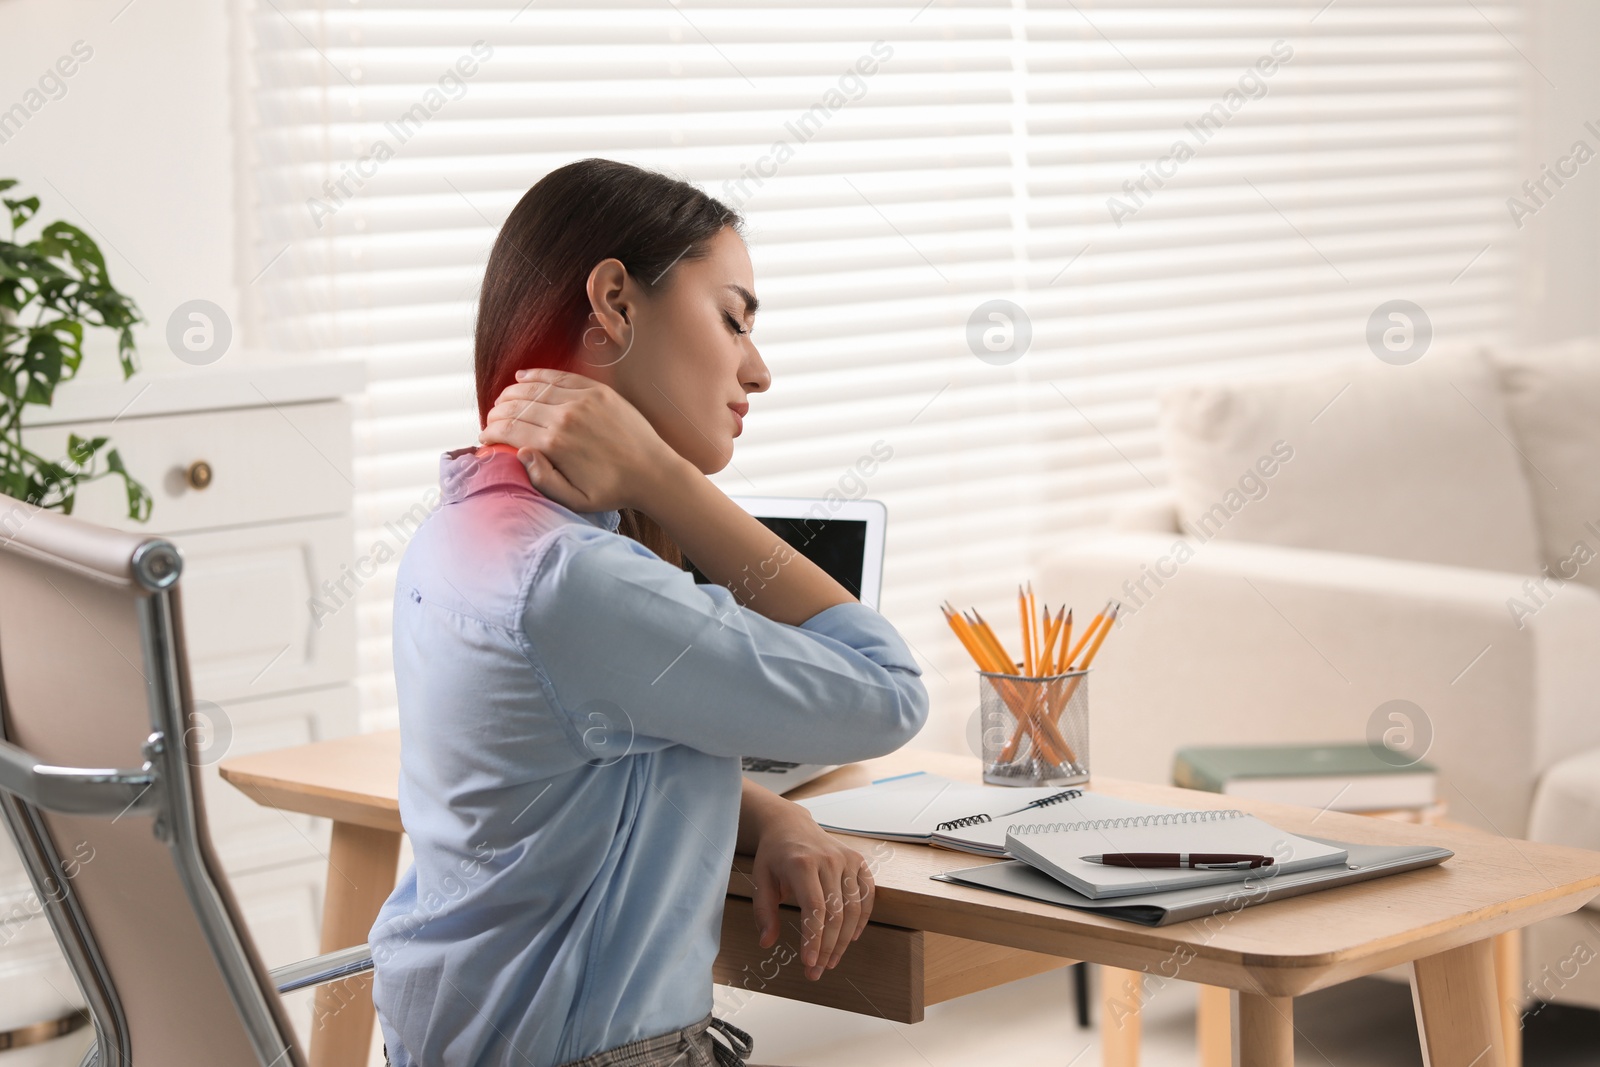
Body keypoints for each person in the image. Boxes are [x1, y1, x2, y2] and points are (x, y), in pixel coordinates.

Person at [368, 158, 930, 1067]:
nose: (759, 368)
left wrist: (778, 817)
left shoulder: (465, 527)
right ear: (615, 305)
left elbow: (599, 763)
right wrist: (669, 481)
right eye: (733, 318)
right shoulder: (580, 581)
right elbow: (888, 693)